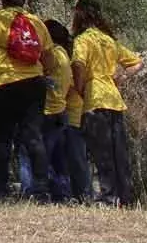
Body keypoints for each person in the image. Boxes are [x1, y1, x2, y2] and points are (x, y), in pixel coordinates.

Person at [0, 0, 52, 199]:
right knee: (34, 137)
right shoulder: (36, 22)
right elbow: (50, 58)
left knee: (1, 139)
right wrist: (41, 71)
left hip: (1, 84)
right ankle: (41, 190)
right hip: (33, 84)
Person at [73, 0, 143, 206]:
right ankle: (125, 196)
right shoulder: (109, 40)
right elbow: (137, 62)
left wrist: (80, 87)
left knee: (101, 152)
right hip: (114, 99)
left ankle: (108, 196)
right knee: (118, 152)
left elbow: (78, 65)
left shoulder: (83, 40)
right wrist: (120, 77)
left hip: (95, 97)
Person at [46, 18, 91, 202]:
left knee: (74, 159)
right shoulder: (68, 55)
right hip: (74, 112)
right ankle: (73, 194)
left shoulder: (60, 56)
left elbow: (71, 86)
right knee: (69, 159)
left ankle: (82, 195)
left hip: (72, 114)